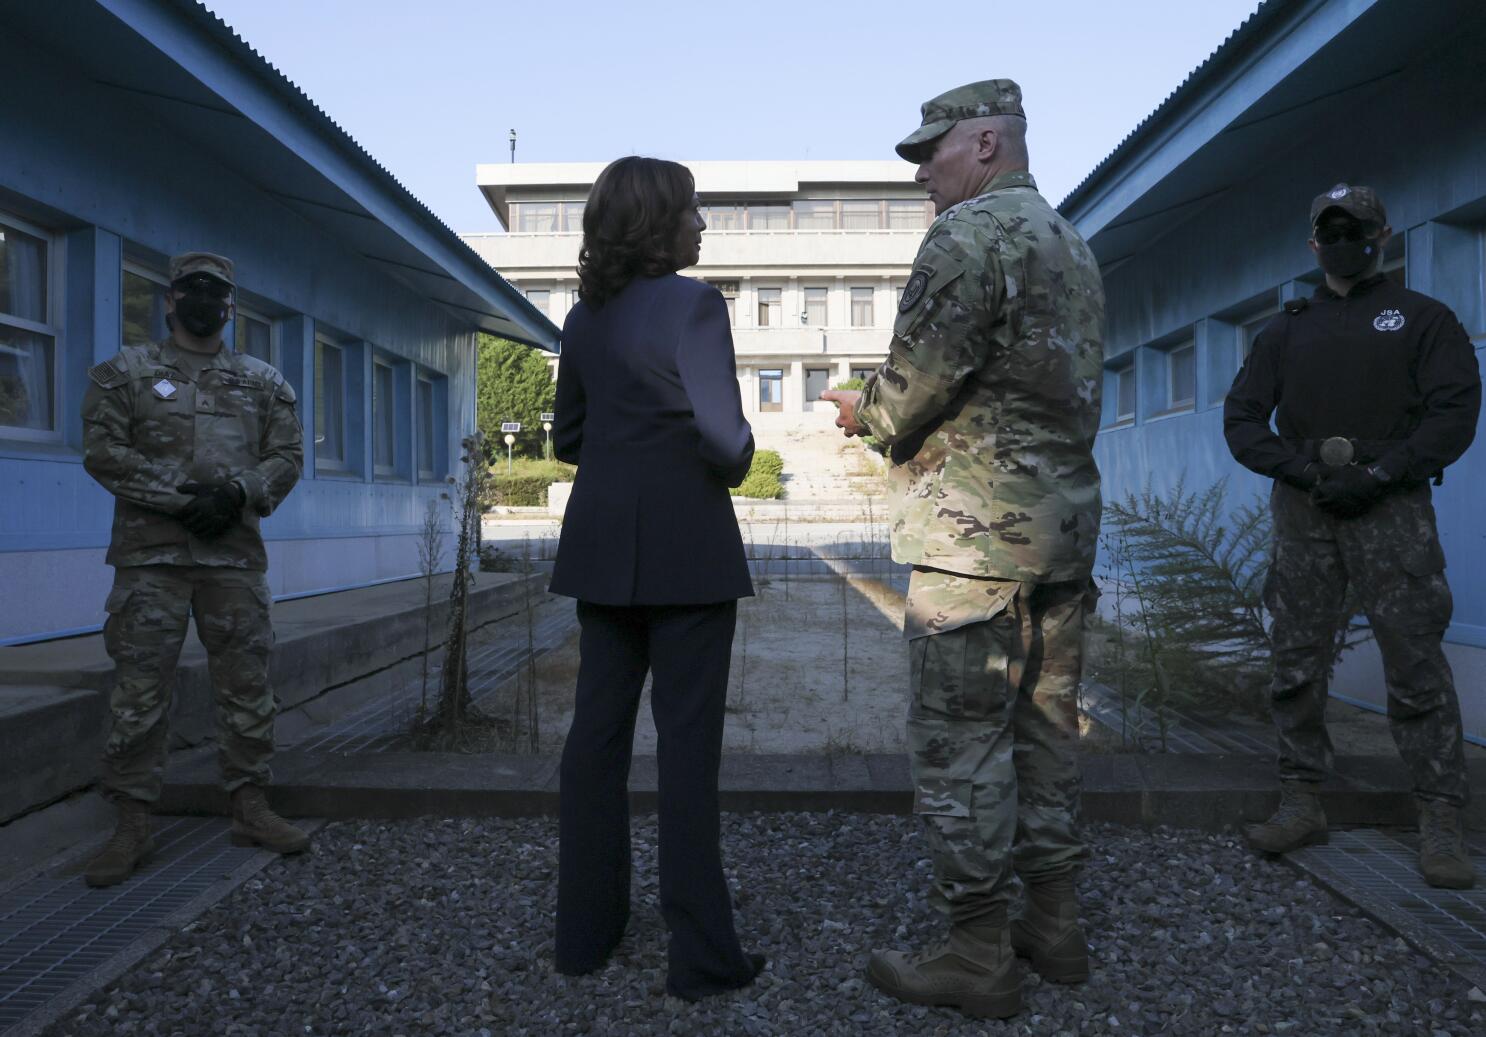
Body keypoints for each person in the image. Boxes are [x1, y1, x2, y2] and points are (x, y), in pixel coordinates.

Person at [822, 80, 1105, 1019]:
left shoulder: (967, 237)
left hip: (971, 545)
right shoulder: (1072, 244)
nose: (922, 174)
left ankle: (977, 951)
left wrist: (861, 407)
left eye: (931, 152)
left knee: (962, 750)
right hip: (1060, 540)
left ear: (985, 143)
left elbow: (909, 395)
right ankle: (1055, 924)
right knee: (1047, 734)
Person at [548, 156, 764, 1000]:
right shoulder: (695, 303)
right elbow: (727, 442)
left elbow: (568, 436)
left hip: (602, 549)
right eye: (694, 211)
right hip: (689, 550)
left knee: (594, 743)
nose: (702, 225)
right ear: (658, 222)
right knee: (686, 752)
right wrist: (732, 454)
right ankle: (703, 957)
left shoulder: (582, 316)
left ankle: (584, 935)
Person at [1224, 184, 1481, 888]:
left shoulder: (1426, 319)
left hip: (1392, 511)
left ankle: (1440, 816)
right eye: (1330, 230)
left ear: (1384, 234)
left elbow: (1455, 413)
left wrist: (1385, 470)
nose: (1343, 239)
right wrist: (1302, 469)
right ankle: (1302, 798)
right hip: (1306, 514)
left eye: (1356, 228)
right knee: (1296, 662)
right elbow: (1243, 419)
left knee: (1416, 664)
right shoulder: (1285, 329)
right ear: (1312, 243)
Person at [79, 252, 308, 887]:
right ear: (171, 300)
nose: (204, 301)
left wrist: (236, 494)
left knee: (245, 686)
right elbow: (104, 452)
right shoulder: (126, 374)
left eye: (217, 293)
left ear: (230, 307)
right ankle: (131, 823)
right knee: (139, 693)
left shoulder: (262, 382)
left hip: (232, 558)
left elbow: (287, 455)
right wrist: (181, 498)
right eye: (192, 290)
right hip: (151, 560)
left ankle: (250, 804)